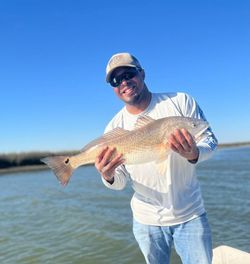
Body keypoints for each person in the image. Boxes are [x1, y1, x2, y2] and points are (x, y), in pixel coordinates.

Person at [95, 52, 218, 264]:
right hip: (146, 221)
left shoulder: (180, 101)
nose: (124, 81)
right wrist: (108, 176)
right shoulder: (113, 128)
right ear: (113, 88)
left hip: (190, 215)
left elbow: (210, 140)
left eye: (129, 73)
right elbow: (120, 181)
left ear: (142, 73)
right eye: (116, 80)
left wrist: (194, 153)